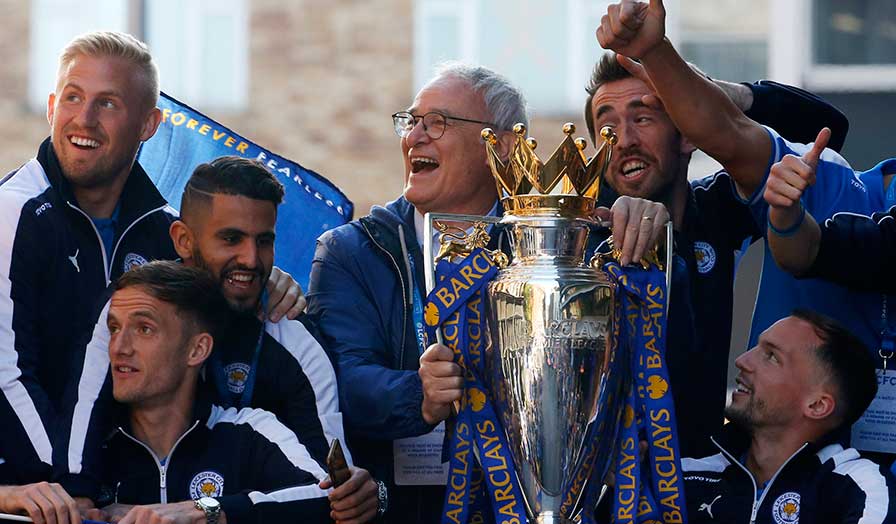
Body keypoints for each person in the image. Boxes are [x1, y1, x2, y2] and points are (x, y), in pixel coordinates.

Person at [307, 61, 670, 522]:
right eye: (411, 121)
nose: (415, 136)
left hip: (539, 502)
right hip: (403, 509)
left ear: (501, 145)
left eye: (438, 123)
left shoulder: (560, 249)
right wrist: (417, 393)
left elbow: (642, 360)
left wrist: (647, 234)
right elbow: (341, 380)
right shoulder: (352, 250)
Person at [0, 31, 302, 495]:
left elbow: (212, 310)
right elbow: (7, 373)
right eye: (73, 98)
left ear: (148, 124)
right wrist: (63, 481)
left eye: (108, 104)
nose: (84, 118)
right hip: (40, 491)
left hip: (117, 488)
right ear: (50, 107)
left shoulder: (167, 230)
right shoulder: (12, 213)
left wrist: (267, 280)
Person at [593, 0, 879, 455]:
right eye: (606, 128)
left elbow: (828, 128)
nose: (624, 139)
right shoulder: (582, 234)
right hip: (618, 480)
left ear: (689, 135)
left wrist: (711, 91)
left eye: (643, 117)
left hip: (713, 475)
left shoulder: (719, 207)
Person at [61, 156, 383, 523]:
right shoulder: (128, 309)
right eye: (231, 239)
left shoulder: (294, 338)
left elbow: (332, 493)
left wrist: (208, 511)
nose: (250, 259)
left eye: (263, 241)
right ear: (183, 240)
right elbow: (76, 466)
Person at [95, 261, 331, 524]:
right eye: (114, 329)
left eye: (144, 329)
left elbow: (328, 497)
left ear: (197, 350)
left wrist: (205, 511)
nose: (119, 347)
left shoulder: (251, 431)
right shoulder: (89, 449)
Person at [682, 310, 895, 523]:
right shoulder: (684, 476)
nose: (742, 361)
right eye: (756, 348)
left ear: (817, 405)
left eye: (772, 356)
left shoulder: (860, 487)